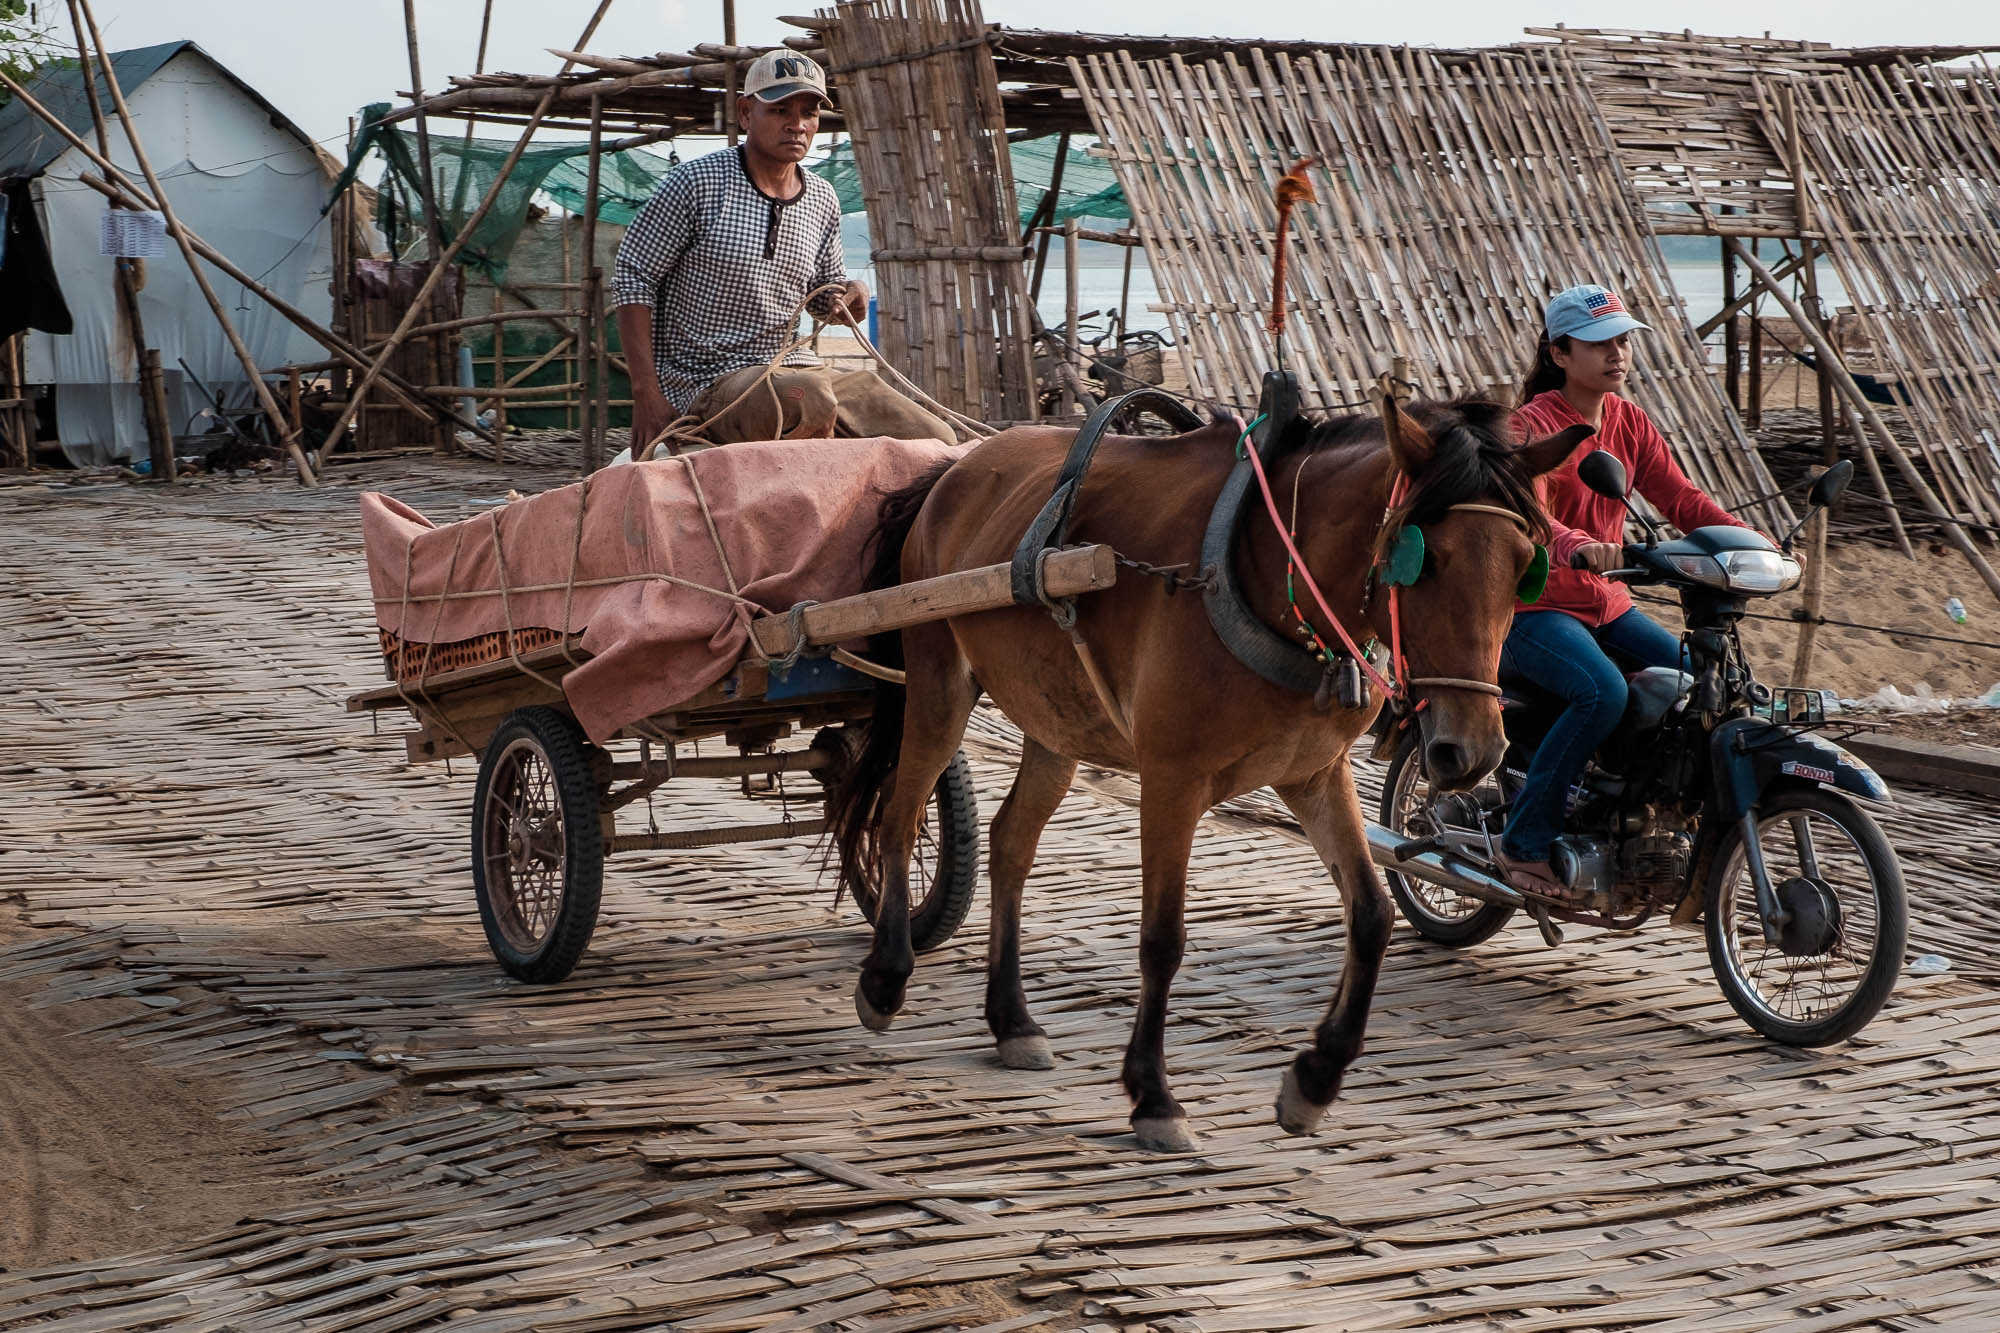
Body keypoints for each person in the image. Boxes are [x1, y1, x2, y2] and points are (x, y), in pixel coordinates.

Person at [1495, 284, 1750, 898]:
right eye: (1601, 342)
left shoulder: (1630, 421)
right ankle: (1523, 843)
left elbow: (1683, 499)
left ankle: (1649, 808)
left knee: (1712, 686)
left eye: (1624, 340)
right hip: (1537, 605)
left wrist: (1750, 544)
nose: (1619, 352)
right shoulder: (1527, 427)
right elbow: (1523, 513)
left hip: (1606, 604)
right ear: (1559, 352)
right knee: (1600, 691)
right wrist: (1575, 544)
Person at [610, 51, 954, 456]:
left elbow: (822, 295)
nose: (797, 125)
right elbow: (633, 277)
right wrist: (646, 393)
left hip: (792, 366)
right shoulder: (697, 182)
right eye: (779, 110)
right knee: (803, 396)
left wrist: (849, 293)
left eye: (809, 113)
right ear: (745, 113)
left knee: (934, 437)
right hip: (708, 381)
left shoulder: (822, 197)